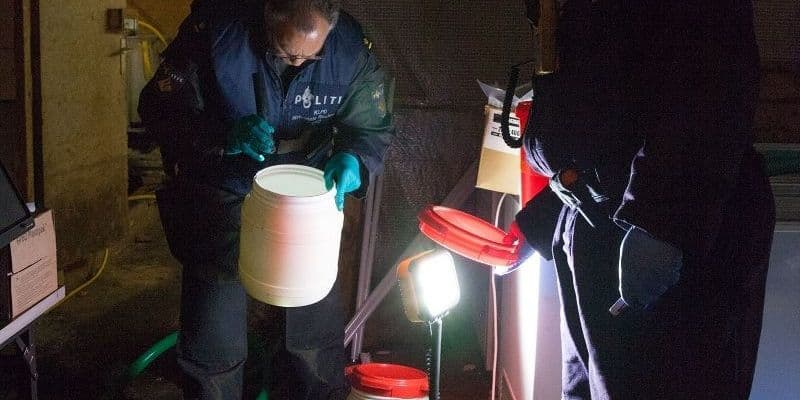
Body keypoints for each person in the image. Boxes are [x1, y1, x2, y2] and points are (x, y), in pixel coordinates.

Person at [506, 1, 775, 398]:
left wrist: (660, 223)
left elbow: (712, 82)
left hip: (666, 236)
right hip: (600, 223)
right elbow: (613, 103)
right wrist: (544, 218)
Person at [138, 0, 394, 398]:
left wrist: (354, 158)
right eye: (286, 53)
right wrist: (223, 137)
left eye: (312, 56)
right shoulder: (215, 33)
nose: (299, 63)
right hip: (225, 185)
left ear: (331, 28)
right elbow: (159, 109)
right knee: (215, 321)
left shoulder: (349, 49)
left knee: (312, 310)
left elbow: (370, 126)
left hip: (306, 192)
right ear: (266, 17)